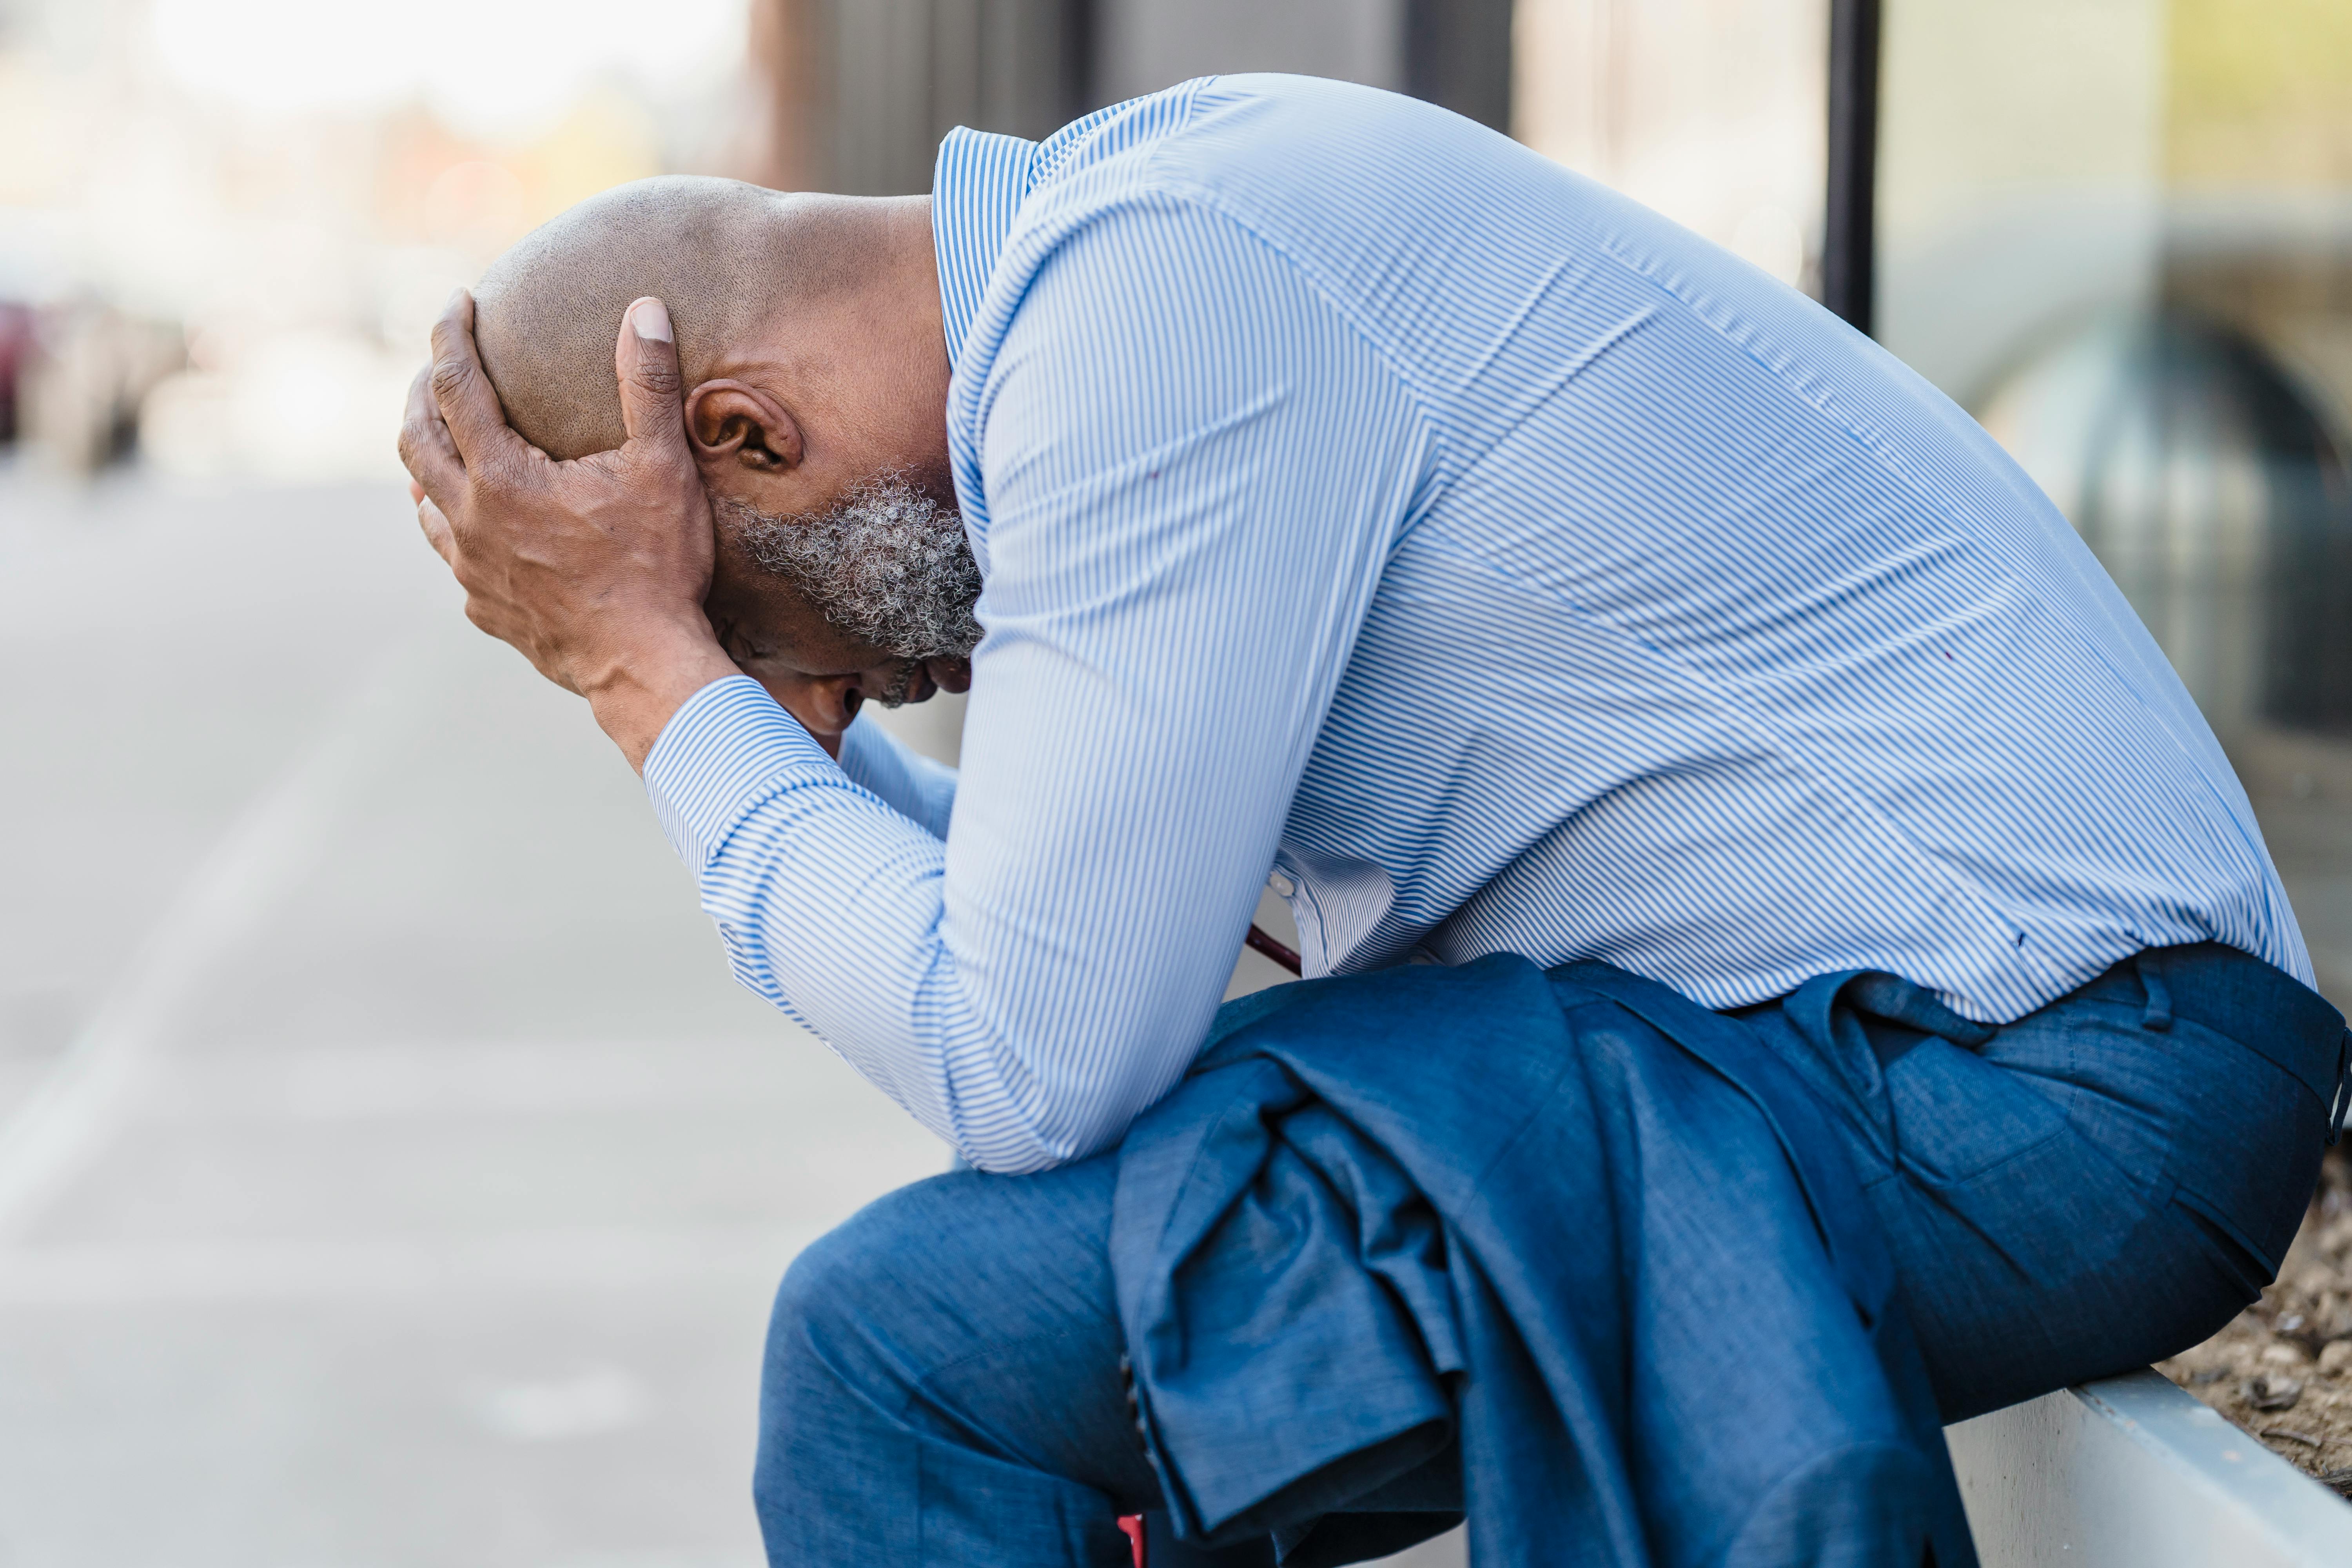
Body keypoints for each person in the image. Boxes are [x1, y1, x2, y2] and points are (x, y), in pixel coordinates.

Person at [399, 75, 2347, 1566]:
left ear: (741, 434)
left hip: (2058, 1078)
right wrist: (699, 691)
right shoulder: (1151, 243)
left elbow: (1026, 1052)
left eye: (741, 605)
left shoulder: (1153, 313)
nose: (839, 680)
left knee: (907, 1353)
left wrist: (663, 688)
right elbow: (1078, 951)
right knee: (1141, 1265)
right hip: (1923, 1050)